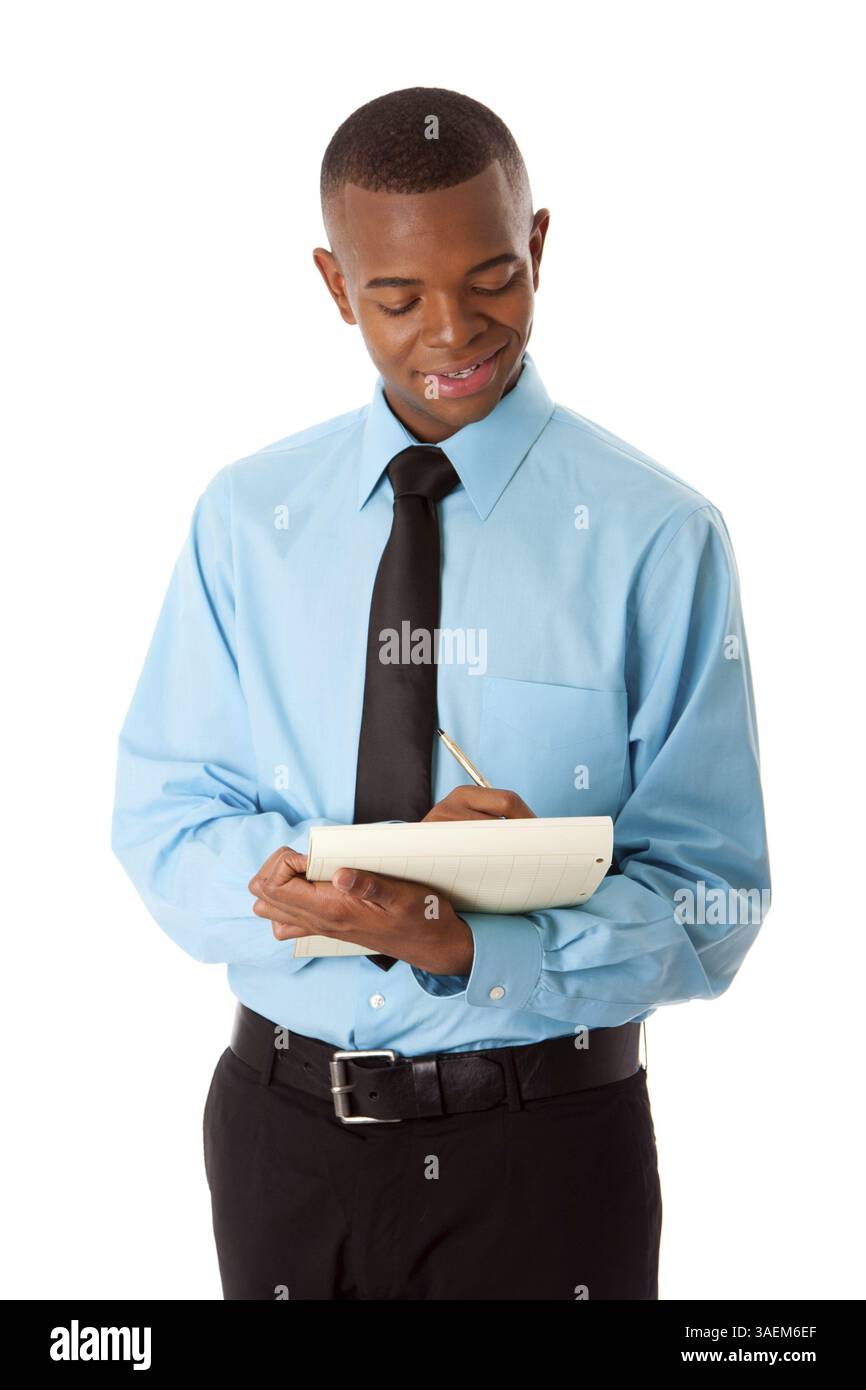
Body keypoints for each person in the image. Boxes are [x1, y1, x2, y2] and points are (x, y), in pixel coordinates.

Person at [111, 86, 771, 1301]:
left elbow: (714, 899)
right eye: (397, 297)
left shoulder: (654, 536)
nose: (452, 332)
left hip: (543, 1149)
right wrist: (322, 889)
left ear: (538, 247)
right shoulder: (247, 519)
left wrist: (468, 938)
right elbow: (165, 817)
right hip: (279, 1142)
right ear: (331, 283)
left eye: (491, 279)